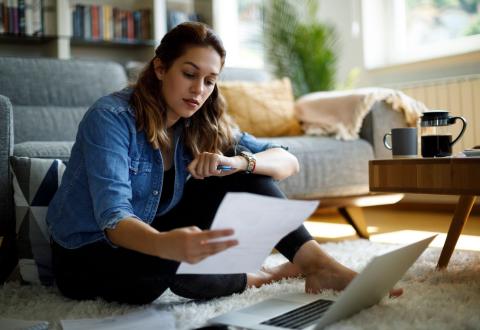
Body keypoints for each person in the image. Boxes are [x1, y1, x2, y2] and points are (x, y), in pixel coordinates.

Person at [46, 22, 393, 305]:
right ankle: (258, 277)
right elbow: (114, 219)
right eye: (189, 74)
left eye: (209, 81)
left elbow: (287, 161)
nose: (198, 90)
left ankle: (318, 265)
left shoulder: (199, 120)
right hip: (87, 254)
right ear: (160, 67)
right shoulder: (110, 118)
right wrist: (166, 244)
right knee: (171, 260)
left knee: (245, 172)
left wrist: (239, 162)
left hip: (154, 233)